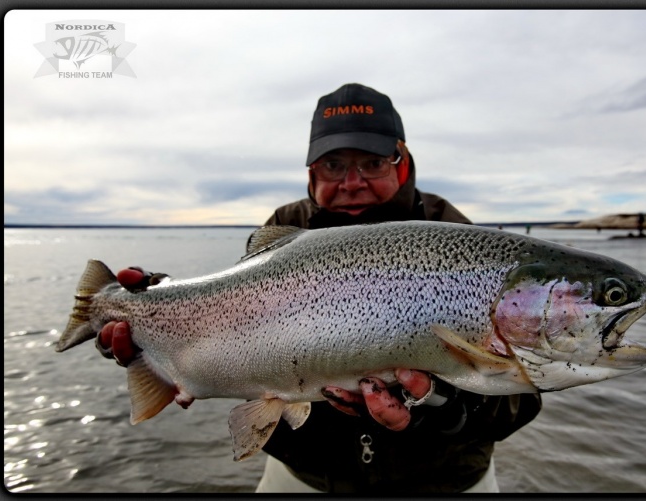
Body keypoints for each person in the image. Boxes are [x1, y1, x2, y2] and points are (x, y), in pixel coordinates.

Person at [96, 83, 542, 494]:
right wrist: (154, 313)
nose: (352, 182)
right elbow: (231, 313)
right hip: (303, 476)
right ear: (311, 172)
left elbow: (522, 398)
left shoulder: (466, 244)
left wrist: (446, 409)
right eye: (334, 165)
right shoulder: (283, 230)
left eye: (371, 163)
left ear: (401, 162)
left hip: (445, 480)